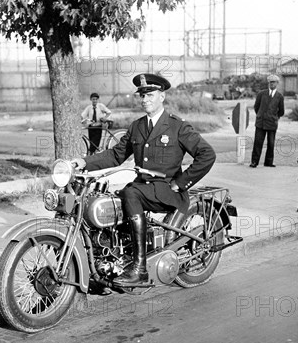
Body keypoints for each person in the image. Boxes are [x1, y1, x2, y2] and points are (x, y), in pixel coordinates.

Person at [72, 73, 216, 286]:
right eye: (142, 95)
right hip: (142, 189)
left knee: (131, 193)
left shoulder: (177, 126)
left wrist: (181, 182)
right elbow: (116, 155)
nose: (145, 99)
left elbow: (207, 154)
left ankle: (139, 269)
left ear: (162, 96)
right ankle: (116, 256)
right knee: (112, 200)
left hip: (167, 190)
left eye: (150, 94)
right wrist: (84, 163)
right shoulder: (137, 126)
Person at [250, 74, 285, 168]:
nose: (271, 84)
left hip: (272, 123)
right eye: (270, 82)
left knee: (271, 143)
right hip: (260, 123)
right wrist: (260, 115)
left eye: (273, 82)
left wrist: (274, 117)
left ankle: (268, 162)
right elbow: (256, 107)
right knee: (258, 143)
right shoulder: (261, 94)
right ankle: (254, 162)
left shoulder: (279, 96)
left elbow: (281, 111)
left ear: (277, 83)